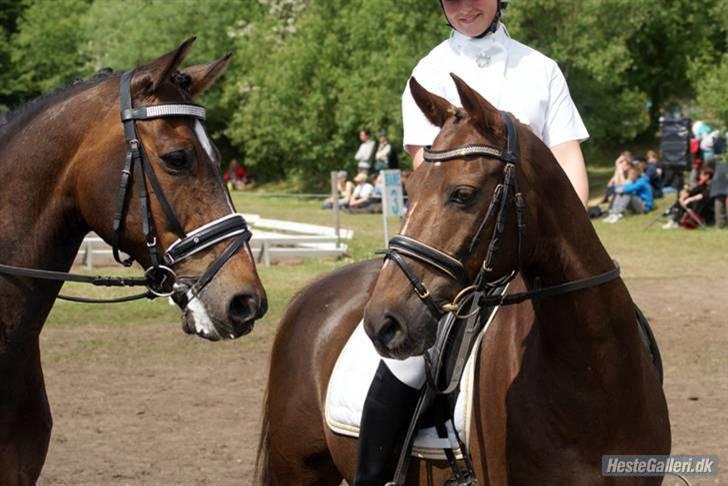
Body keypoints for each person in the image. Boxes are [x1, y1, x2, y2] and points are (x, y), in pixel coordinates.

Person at [354, 1, 590, 483]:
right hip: (469, 251)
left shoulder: (541, 69)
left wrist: (568, 243)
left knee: (621, 328)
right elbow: (430, 181)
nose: (464, 7)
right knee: (410, 365)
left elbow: (569, 164)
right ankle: (374, 478)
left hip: (541, 250)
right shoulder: (431, 71)